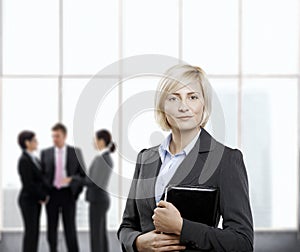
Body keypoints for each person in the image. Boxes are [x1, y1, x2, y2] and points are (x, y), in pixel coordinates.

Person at [118, 65, 253, 251]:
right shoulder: (146, 158)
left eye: (193, 97)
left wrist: (182, 227)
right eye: (174, 98)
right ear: (163, 106)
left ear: (203, 104)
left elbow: (242, 242)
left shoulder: (226, 160)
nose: (183, 107)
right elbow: (127, 226)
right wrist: (138, 242)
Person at [41, 123, 86, 252]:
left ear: (64, 136)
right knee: (51, 229)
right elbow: (42, 176)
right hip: (52, 194)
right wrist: (45, 194)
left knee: (70, 229)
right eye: (53, 136)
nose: (55, 139)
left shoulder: (75, 152)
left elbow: (83, 176)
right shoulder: (46, 153)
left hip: (68, 194)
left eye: (57, 136)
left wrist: (73, 185)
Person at [70, 129, 116, 252]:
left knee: (96, 235)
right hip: (101, 200)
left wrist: (74, 179)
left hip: (97, 200)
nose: (93, 143)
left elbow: (93, 182)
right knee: (101, 234)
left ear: (101, 141)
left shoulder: (102, 159)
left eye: (94, 140)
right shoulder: (106, 158)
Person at [17, 130, 50, 252]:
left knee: (34, 232)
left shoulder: (34, 158)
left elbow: (41, 179)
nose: (37, 143)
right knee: (31, 232)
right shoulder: (24, 160)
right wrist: (43, 196)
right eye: (34, 140)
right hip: (28, 200)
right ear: (27, 143)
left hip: (34, 200)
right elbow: (29, 184)